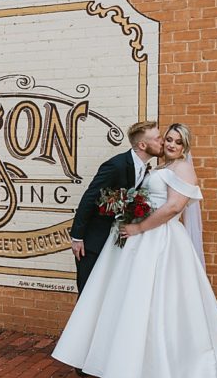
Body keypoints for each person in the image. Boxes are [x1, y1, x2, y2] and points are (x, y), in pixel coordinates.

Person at [52, 123, 217, 378]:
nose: (170, 143)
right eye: (167, 139)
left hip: (160, 242)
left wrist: (138, 227)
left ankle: (159, 370)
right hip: (139, 243)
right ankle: (123, 363)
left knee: (160, 303)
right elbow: (121, 198)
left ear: (185, 146)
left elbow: (174, 208)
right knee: (131, 302)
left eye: (177, 141)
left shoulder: (183, 169)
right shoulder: (158, 167)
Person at [69, 120, 162, 294]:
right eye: (157, 139)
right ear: (142, 145)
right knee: (88, 294)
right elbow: (90, 197)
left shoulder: (143, 169)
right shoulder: (116, 165)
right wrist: (77, 237)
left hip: (114, 243)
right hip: (92, 243)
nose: (162, 142)